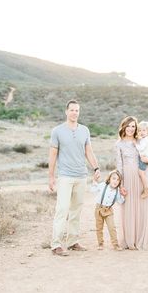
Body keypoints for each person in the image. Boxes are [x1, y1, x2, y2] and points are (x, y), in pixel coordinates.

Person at [49, 99, 100, 256]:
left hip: (81, 176)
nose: (74, 113)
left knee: (76, 211)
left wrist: (96, 167)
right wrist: (51, 176)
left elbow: (88, 151)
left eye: (77, 110)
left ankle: (72, 242)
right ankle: (56, 244)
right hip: (65, 176)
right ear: (66, 111)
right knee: (62, 210)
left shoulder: (84, 130)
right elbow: (53, 154)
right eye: (72, 110)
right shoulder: (57, 131)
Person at [116, 116, 148, 250]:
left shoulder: (142, 140)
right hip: (127, 178)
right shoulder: (119, 144)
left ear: (136, 128)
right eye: (128, 126)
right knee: (129, 207)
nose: (130, 128)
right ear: (124, 127)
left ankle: (142, 239)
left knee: (143, 207)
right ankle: (130, 240)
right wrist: (120, 184)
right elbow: (119, 165)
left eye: (133, 126)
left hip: (143, 176)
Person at [90, 169, 124, 251]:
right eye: (114, 178)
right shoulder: (103, 185)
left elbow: (121, 201)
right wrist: (94, 181)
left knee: (112, 227)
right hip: (99, 208)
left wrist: (123, 195)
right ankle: (100, 243)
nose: (115, 181)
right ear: (109, 179)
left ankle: (115, 244)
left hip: (109, 210)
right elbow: (92, 190)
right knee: (99, 227)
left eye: (118, 180)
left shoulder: (117, 191)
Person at [135, 121, 148, 199]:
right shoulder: (145, 139)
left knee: (141, 173)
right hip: (146, 157)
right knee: (142, 173)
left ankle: (146, 189)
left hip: (144, 158)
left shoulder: (145, 140)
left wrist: (135, 143)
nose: (141, 132)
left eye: (144, 130)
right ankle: (146, 188)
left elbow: (140, 148)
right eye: (139, 130)